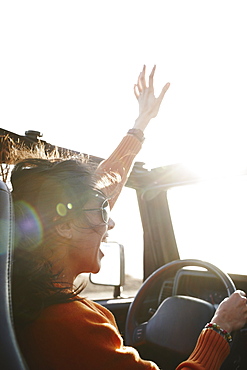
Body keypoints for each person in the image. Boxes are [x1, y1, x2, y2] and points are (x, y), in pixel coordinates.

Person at [11, 66, 247, 370]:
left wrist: (140, 124)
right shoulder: (73, 325)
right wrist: (220, 328)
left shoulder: (27, 304)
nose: (110, 222)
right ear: (65, 225)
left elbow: (101, 190)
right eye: (102, 211)